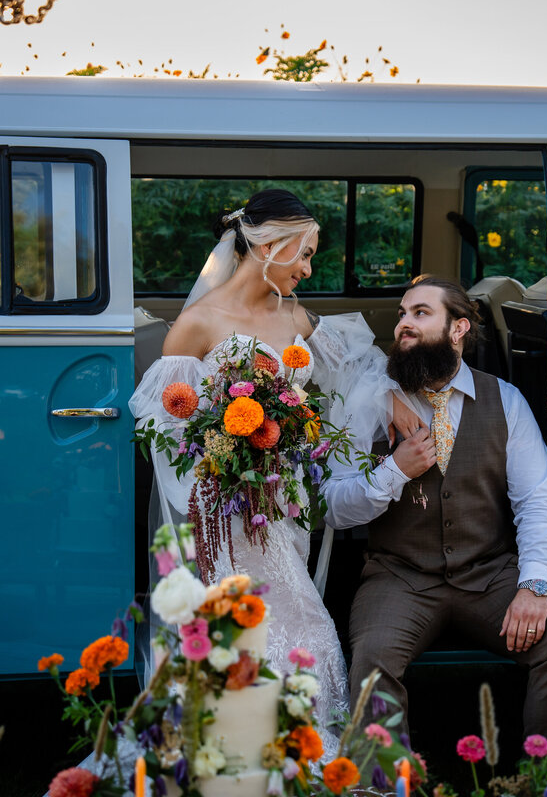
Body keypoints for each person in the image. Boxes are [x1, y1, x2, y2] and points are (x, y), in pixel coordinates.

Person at [129, 189, 420, 755]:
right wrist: (229, 464)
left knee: (302, 622)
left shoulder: (295, 315)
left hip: (282, 506)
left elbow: (353, 366)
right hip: (223, 513)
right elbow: (166, 433)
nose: (309, 269)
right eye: (305, 253)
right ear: (271, 245)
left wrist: (388, 401)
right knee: (235, 633)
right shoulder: (195, 325)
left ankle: (303, 747)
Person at [322, 274, 547, 741]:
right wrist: (394, 472)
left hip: (491, 574)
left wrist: (533, 585)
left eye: (420, 313)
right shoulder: (368, 404)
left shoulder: (505, 401)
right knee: (371, 660)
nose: (404, 324)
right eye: (403, 314)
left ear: (459, 329)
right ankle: (388, 788)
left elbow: (537, 501)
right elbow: (334, 508)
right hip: (399, 576)